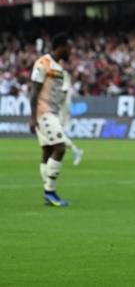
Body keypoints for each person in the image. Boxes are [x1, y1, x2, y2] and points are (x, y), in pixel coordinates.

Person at [30, 34, 73, 207]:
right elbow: (34, 91)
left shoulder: (58, 67)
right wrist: (33, 117)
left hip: (52, 113)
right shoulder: (43, 63)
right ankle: (50, 191)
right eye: (68, 47)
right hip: (43, 113)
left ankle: (47, 191)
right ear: (60, 47)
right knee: (60, 148)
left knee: (47, 150)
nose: (70, 51)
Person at [59, 71, 84, 166]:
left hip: (62, 110)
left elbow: (63, 94)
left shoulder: (64, 79)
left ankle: (75, 150)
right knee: (56, 135)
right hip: (61, 109)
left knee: (57, 134)